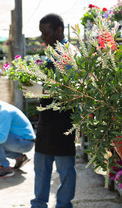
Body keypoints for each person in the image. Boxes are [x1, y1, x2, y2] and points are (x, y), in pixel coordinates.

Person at [24, 13, 77, 208]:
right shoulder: (50, 53)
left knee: (65, 169)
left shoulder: (68, 53)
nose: (42, 38)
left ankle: (63, 205)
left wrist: (39, 89)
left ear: (59, 30)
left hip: (64, 119)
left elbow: (67, 88)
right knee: (41, 167)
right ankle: (38, 204)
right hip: (46, 119)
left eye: (45, 33)